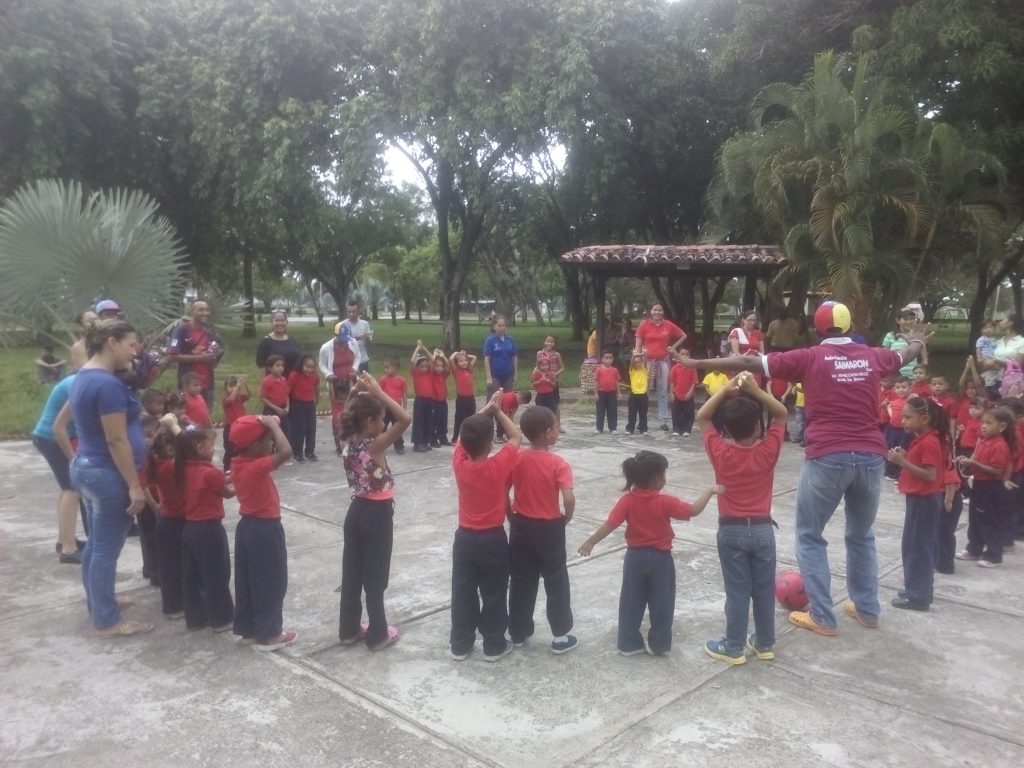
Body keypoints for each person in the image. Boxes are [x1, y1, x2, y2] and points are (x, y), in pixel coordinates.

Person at [681, 300, 927, 636]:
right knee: (861, 535)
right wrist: (917, 338)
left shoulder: (809, 357)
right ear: (850, 326)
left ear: (818, 328)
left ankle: (823, 617)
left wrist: (698, 361)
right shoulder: (873, 355)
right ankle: (867, 609)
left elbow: (748, 360)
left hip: (828, 455)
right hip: (871, 455)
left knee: (811, 536)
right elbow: (907, 355)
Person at [59, 319, 152, 637]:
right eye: (130, 344)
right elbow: (116, 440)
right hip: (106, 474)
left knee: (98, 544)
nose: (134, 351)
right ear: (112, 342)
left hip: (86, 467)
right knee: (105, 550)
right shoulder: (107, 384)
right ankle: (107, 620)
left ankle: (99, 602)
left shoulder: (84, 375)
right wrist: (134, 484)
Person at [578, 451, 716, 656]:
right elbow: (694, 510)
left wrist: (591, 541)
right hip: (661, 560)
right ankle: (658, 644)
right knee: (662, 603)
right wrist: (709, 490)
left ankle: (628, 643)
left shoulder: (627, 501)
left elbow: (610, 524)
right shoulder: (665, 502)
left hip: (635, 558)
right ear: (657, 479)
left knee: (630, 601)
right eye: (664, 475)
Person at [698, 372, 787, 664]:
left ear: (727, 428)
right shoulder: (767, 451)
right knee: (763, 590)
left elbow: (702, 415)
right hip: (763, 530)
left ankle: (734, 647)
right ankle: (764, 643)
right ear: (759, 426)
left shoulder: (721, 451)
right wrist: (756, 390)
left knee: (737, 592)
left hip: (731, 531)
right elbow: (781, 412)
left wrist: (727, 387)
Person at [338, 373, 411, 651]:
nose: (384, 424)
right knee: (375, 577)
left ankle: (348, 630)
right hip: (377, 516)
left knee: (352, 573)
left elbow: (347, 414)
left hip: (355, 512)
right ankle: (379, 634)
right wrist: (379, 392)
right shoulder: (375, 444)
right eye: (381, 420)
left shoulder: (347, 441)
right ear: (370, 423)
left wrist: (355, 392)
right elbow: (405, 419)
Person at [449, 391, 522, 662]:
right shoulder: (498, 466)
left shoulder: (459, 463)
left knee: (462, 591)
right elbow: (516, 437)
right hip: (492, 539)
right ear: (490, 443)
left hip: (465, 538)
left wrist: (484, 410)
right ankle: (493, 645)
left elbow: (463, 435)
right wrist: (498, 410)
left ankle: (460, 644)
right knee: (493, 592)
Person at [508, 406, 577, 654]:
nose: (558, 431)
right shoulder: (558, 463)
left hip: (521, 525)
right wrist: (565, 519)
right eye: (556, 427)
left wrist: (511, 517)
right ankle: (560, 635)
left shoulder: (516, 458)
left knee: (521, 581)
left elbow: (503, 492)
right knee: (556, 580)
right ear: (548, 433)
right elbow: (568, 498)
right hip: (550, 528)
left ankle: (517, 633)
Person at [229, 414, 298, 651]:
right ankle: (269, 633)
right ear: (257, 446)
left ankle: (249, 628)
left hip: (247, 528)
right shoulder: (256, 466)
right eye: (269, 439)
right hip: (265, 529)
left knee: (248, 580)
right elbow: (287, 451)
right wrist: (270, 424)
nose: (272, 444)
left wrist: (268, 425)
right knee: (272, 581)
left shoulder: (237, 462)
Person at [887, 396, 949, 611]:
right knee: (912, 546)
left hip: (925, 500)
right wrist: (906, 457)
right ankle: (914, 587)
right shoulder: (922, 438)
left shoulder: (930, 441)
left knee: (919, 548)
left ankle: (919, 596)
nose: (902, 421)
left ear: (924, 418)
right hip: (919, 499)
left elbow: (930, 475)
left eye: (907, 417)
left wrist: (902, 462)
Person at [176, 424, 235, 631]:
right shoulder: (209, 472)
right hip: (209, 529)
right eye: (212, 445)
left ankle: (196, 618)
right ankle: (221, 619)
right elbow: (226, 492)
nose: (214, 449)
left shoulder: (183, 468)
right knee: (216, 574)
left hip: (190, 528)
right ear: (201, 448)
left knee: (193, 576)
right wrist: (242, 478)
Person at [32, 373, 86, 562]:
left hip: (47, 437)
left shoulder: (78, 380)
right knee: (72, 490)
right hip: (51, 438)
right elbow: (64, 425)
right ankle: (68, 550)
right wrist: (73, 458)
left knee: (66, 490)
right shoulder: (77, 385)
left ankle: (64, 540)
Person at [957, 406, 1015, 567]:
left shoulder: (1000, 445)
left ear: (1002, 426)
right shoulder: (983, 441)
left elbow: (997, 470)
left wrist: (974, 463)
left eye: (989, 423)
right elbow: (976, 459)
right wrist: (969, 462)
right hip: (980, 484)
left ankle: (993, 554)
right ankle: (974, 548)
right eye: (983, 422)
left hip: (992, 487)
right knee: (975, 518)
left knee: (990, 520)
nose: (983, 426)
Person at [151, 414, 185, 619]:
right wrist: (174, 427)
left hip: (168, 518)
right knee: (173, 567)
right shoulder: (170, 466)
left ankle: (174, 605)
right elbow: (190, 449)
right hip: (174, 520)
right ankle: (173, 607)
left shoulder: (159, 463)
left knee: (171, 565)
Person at [633, 304, 686, 431]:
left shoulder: (668, 325)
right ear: (651, 311)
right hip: (647, 362)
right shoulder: (644, 324)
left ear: (663, 312)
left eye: (660, 310)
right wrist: (638, 357)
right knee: (643, 391)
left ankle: (663, 421)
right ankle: (641, 421)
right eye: (655, 310)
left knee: (662, 392)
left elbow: (683, 335)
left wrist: (673, 348)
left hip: (663, 362)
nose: (657, 312)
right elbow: (638, 343)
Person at [168, 300, 224, 407]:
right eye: (201, 310)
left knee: (205, 418)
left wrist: (213, 357)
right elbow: (172, 356)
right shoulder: (181, 330)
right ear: (192, 312)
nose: (205, 313)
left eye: (207, 310)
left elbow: (213, 363)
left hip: (207, 385)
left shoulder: (209, 333)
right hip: (188, 385)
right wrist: (199, 358)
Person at [287, 354, 320, 462]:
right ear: (301, 365)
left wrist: (317, 398)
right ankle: (297, 452)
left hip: (310, 403)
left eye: (312, 367)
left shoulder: (314, 376)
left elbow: (316, 386)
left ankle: (310, 451)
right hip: (297, 404)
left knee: (311, 428)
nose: (309, 370)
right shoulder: (295, 375)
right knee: (299, 429)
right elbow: (288, 390)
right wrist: (287, 405)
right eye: (307, 366)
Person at [255, 309, 302, 376]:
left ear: (286, 322)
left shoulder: (292, 340)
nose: (280, 323)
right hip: (276, 384)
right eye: (276, 320)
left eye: (282, 320)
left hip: (294, 382)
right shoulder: (266, 341)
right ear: (271, 323)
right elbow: (261, 366)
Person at [985, 314, 1024, 395]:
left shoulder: (1021, 342)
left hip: (1012, 384)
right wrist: (987, 363)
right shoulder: (999, 342)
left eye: (1003, 320)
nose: (999, 323)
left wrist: (997, 361)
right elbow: (989, 362)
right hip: (994, 381)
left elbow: (1018, 365)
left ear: (1010, 323)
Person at [883, 308, 926, 377]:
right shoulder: (890, 336)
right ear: (898, 320)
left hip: (913, 376)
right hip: (895, 379)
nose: (909, 322)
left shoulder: (916, 335)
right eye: (905, 319)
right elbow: (885, 357)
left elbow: (924, 358)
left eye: (911, 319)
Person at [483, 315, 517, 401]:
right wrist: (488, 377)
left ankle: (505, 414)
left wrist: (515, 374)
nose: (502, 328)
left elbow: (514, 358)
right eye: (499, 325)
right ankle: (489, 414)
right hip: (495, 375)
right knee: (493, 399)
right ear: (494, 326)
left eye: (504, 325)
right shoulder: (490, 341)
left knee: (507, 399)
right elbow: (487, 359)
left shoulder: (510, 340)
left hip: (508, 374)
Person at [536, 336, 566, 432]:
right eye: (548, 341)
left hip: (553, 382)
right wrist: (537, 375)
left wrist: (555, 374)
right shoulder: (539, 353)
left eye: (552, 342)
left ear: (555, 344)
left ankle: (558, 425)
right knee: (542, 402)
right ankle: (542, 424)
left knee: (555, 403)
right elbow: (537, 366)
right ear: (544, 342)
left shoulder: (556, 354)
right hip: (543, 382)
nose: (549, 343)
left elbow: (562, 367)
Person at [221, 375, 251, 471]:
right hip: (230, 427)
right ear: (225, 388)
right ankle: (227, 468)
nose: (233, 388)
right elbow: (232, 399)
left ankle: (238, 466)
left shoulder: (239, 397)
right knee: (229, 449)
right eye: (230, 386)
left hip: (240, 426)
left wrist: (245, 384)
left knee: (240, 447)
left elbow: (250, 395)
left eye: (234, 385)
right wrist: (238, 386)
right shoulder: (225, 398)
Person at [379, 358, 408, 455]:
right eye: (385, 368)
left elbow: (404, 394)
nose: (385, 370)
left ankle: (399, 446)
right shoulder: (383, 380)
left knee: (397, 427)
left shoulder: (401, 380)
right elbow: (380, 393)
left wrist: (404, 408)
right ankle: (380, 446)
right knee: (382, 426)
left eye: (388, 368)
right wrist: (381, 407)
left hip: (396, 408)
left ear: (395, 368)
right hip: (386, 408)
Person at [410, 341, 434, 453]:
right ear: (417, 367)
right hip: (420, 399)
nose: (424, 368)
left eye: (425, 366)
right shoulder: (416, 373)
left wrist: (424, 348)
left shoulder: (429, 373)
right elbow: (412, 361)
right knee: (419, 421)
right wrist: (418, 348)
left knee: (428, 420)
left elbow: (432, 359)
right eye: (421, 366)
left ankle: (425, 441)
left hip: (429, 399)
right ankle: (417, 443)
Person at [449, 350, 478, 442]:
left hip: (470, 398)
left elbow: (475, 358)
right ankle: (456, 438)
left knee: (471, 417)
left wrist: (465, 355)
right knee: (460, 418)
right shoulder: (456, 371)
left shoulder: (469, 370)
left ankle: (469, 437)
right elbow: (451, 359)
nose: (464, 362)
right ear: (457, 364)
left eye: (465, 360)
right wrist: (457, 353)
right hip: (461, 399)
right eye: (461, 361)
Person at [260, 355, 290, 442]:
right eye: (277, 366)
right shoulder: (267, 381)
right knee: (272, 433)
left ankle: (284, 452)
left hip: (283, 409)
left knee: (285, 432)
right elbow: (263, 398)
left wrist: (287, 407)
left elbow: (287, 395)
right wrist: (276, 409)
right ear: (270, 368)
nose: (281, 368)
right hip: (271, 410)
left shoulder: (284, 380)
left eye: (282, 366)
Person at [668, 349, 697, 437]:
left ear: (689, 356)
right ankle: (676, 429)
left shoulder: (692, 367)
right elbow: (672, 382)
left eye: (686, 354)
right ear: (678, 356)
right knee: (676, 412)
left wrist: (690, 393)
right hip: (677, 394)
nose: (684, 356)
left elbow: (694, 382)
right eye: (682, 354)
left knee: (689, 413)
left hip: (688, 395)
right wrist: (671, 393)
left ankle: (687, 429)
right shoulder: (675, 368)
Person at [342, 301, 373, 373]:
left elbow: (370, 346)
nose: (351, 314)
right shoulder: (342, 325)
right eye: (349, 312)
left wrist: (366, 339)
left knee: (364, 383)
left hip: (363, 361)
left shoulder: (365, 324)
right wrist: (353, 339)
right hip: (348, 362)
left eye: (354, 311)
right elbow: (339, 345)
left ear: (359, 311)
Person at [429, 348, 452, 447]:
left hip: (443, 401)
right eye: (437, 366)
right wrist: (434, 356)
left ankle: (442, 437)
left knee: (443, 420)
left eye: (441, 366)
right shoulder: (431, 374)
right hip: (434, 401)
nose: (439, 368)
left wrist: (443, 357)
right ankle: (433, 439)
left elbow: (448, 367)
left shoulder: (443, 374)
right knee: (434, 421)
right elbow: (430, 365)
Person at [595, 350, 621, 434]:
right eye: (606, 358)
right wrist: (595, 393)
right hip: (601, 393)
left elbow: (617, 382)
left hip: (612, 393)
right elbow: (596, 382)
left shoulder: (615, 370)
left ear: (612, 359)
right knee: (600, 411)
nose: (608, 360)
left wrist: (619, 392)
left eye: (610, 358)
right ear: (602, 359)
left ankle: (613, 428)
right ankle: (599, 428)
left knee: (612, 411)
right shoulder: (599, 370)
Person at [624, 352, 648, 435]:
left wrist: (644, 355)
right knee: (632, 414)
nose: (638, 364)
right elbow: (631, 364)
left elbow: (645, 362)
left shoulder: (645, 371)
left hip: (643, 395)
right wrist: (633, 356)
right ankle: (630, 429)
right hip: (634, 395)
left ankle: (643, 429)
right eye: (636, 363)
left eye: (639, 362)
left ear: (642, 362)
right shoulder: (632, 371)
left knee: (643, 414)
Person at [974, 319, 999, 397]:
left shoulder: (995, 340)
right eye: (985, 328)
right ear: (981, 330)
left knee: (995, 371)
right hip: (986, 357)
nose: (988, 329)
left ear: (994, 329)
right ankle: (989, 386)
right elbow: (978, 349)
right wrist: (979, 358)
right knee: (989, 372)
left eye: (990, 327)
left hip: (994, 357)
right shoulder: (981, 339)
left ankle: (998, 383)